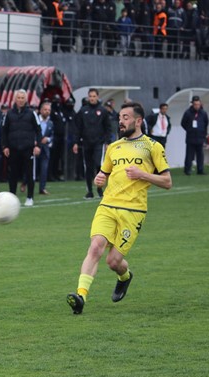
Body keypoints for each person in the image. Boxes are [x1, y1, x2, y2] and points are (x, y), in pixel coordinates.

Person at [67, 102, 172, 315]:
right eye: (120, 117)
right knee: (95, 246)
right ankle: (81, 297)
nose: (121, 121)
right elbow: (104, 175)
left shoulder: (153, 147)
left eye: (125, 117)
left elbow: (167, 181)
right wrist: (99, 179)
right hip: (107, 205)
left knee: (113, 261)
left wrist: (143, 175)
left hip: (133, 211)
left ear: (138, 120)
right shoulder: (114, 147)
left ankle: (125, 276)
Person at [1, 89, 42, 206]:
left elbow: (38, 130)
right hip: (13, 148)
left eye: (22, 98)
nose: (20, 100)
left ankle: (30, 197)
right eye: (18, 98)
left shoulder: (31, 113)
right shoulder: (9, 114)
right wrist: (4, 146)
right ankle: (12, 197)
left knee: (29, 173)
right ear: (15, 99)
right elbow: (4, 131)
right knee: (12, 174)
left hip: (28, 148)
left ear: (26, 99)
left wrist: (38, 145)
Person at [73, 88, 112, 199]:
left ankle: (99, 188)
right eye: (90, 96)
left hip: (99, 143)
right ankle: (89, 191)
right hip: (86, 143)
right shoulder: (83, 111)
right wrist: (76, 142)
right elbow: (78, 127)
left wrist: (108, 141)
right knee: (88, 167)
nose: (92, 98)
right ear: (88, 97)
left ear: (98, 97)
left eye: (94, 96)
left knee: (98, 165)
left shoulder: (103, 111)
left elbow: (108, 127)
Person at [181, 95, 209, 175]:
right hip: (191, 137)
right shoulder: (188, 113)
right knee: (189, 155)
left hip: (200, 137)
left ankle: (200, 169)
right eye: (195, 104)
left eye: (198, 104)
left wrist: (204, 133)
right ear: (192, 104)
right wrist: (189, 130)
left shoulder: (203, 113)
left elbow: (206, 123)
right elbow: (183, 123)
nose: (197, 106)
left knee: (200, 155)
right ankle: (187, 170)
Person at [37, 101, 54, 195]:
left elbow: (52, 136)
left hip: (45, 148)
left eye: (49, 110)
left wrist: (48, 139)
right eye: (45, 109)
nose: (47, 111)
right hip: (35, 147)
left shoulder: (51, 123)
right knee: (31, 168)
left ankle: (42, 188)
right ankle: (25, 182)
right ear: (41, 110)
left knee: (44, 169)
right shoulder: (35, 120)